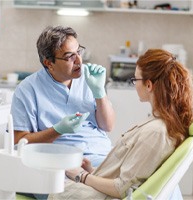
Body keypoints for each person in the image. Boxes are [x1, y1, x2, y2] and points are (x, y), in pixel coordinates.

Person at [47, 48, 193, 200]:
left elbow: (122, 188)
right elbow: (133, 172)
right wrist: (93, 171)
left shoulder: (156, 132)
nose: (134, 84)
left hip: (113, 195)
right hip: (109, 186)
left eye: (135, 80)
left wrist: (82, 176)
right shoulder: (160, 125)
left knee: (59, 190)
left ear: (149, 85)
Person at [10, 25, 115, 168]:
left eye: (79, 52)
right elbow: (19, 142)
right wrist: (58, 130)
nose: (79, 60)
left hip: (102, 154)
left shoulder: (89, 77)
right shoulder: (28, 90)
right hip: (62, 160)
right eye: (70, 56)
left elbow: (107, 126)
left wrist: (100, 93)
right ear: (49, 63)